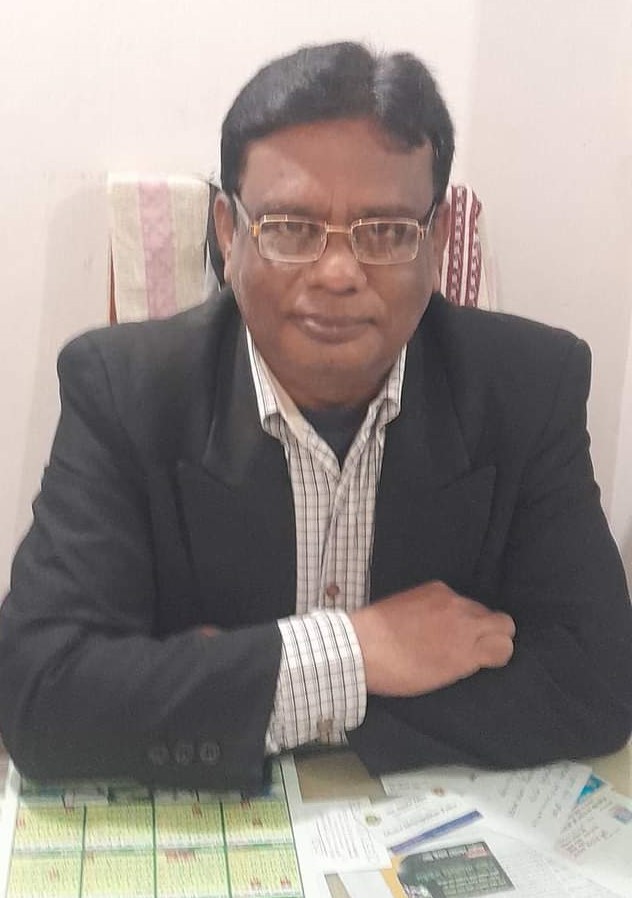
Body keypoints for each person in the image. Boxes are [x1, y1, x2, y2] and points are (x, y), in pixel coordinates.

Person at [0, 42, 630, 793]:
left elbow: (599, 684)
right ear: (228, 232)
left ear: (435, 242)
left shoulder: (528, 386)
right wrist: (361, 654)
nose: (338, 273)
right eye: (291, 227)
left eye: (386, 231)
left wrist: (226, 682)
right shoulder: (125, 390)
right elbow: (39, 699)